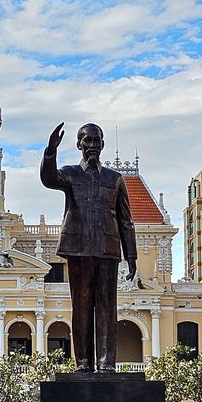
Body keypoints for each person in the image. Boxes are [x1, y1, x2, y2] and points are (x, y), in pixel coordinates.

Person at [40, 122, 137, 372]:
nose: (92, 145)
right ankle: (83, 362)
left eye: (96, 141)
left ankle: (107, 363)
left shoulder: (114, 179)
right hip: (78, 248)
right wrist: (50, 151)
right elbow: (48, 179)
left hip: (107, 249)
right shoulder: (70, 174)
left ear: (103, 145)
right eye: (87, 141)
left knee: (107, 307)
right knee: (81, 307)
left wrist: (132, 256)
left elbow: (126, 220)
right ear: (79, 145)